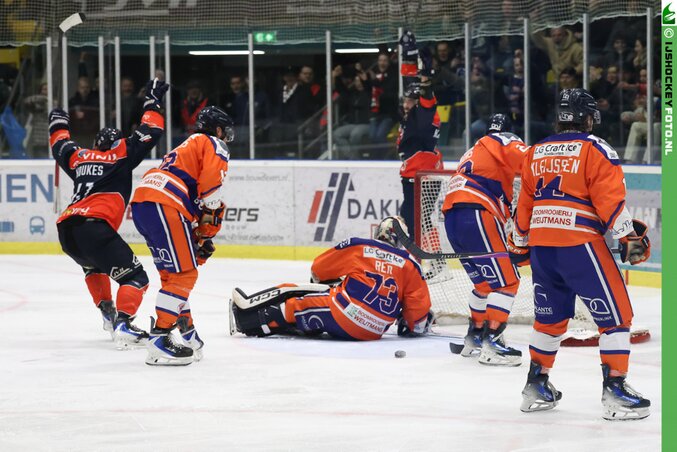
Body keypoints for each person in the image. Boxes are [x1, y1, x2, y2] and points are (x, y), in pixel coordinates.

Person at [511, 88, 651, 420]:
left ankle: (535, 385)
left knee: (549, 320)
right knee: (616, 316)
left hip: (543, 247)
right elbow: (609, 201)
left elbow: (524, 205)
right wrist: (629, 238)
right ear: (587, 118)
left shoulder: (535, 151)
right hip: (580, 244)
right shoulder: (595, 148)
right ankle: (615, 390)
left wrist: (519, 242)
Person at [48, 78, 168, 348]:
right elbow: (152, 129)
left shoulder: (80, 157)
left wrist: (58, 121)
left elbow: (59, 145)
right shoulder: (121, 154)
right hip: (94, 227)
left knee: (94, 266)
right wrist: (152, 101)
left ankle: (108, 313)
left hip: (67, 230)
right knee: (135, 278)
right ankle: (124, 323)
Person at [130, 105, 233, 366]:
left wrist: (201, 238)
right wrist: (208, 223)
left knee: (173, 276)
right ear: (218, 129)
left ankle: (184, 330)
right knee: (185, 275)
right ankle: (159, 337)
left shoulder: (186, 150)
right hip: (166, 202)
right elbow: (211, 191)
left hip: (145, 201)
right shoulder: (212, 142)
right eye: (225, 131)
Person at [230, 216, 433, 341]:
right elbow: (417, 316)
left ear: (379, 231)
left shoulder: (360, 246)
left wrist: (335, 282)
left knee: (294, 301)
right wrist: (408, 323)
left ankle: (245, 320)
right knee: (317, 306)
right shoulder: (411, 265)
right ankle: (308, 326)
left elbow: (318, 270)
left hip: (344, 314)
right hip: (374, 331)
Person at [441, 114, 528, 366]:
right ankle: (493, 343)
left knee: (485, 284)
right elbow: (532, 161)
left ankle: (475, 338)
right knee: (508, 281)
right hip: (476, 213)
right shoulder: (504, 139)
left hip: (453, 217)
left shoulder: (473, 150)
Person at [397, 30, 444, 232]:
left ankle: (424, 250)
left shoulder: (423, 115)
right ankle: (429, 250)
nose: (405, 104)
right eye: (405, 100)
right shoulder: (414, 113)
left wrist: (426, 79)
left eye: (409, 101)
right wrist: (408, 56)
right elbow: (410, 84)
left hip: (422, 175)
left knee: (415, 220)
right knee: (416, 218)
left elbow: (426, 100)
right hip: (419, 173)